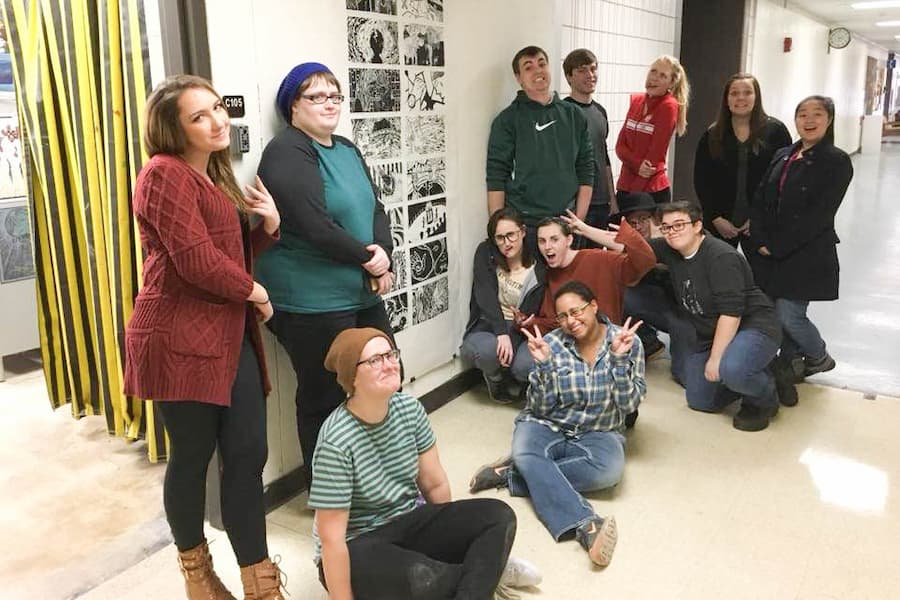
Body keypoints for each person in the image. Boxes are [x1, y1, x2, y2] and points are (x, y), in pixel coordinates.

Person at [124, 75, 285, 599]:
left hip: (224, 333)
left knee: (246, 454)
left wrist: (267, 227)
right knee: (192, 457)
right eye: (200, 116)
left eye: (218, 108)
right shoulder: (162, 174)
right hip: (177, 336)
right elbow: (195, 263)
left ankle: (260, 584)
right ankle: (199, 578)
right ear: (173, 129)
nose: (218, 121)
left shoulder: (212, 175)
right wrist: (256, 293)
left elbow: (222, 257)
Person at [311, 328, 540, 599]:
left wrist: (452, 541)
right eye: (375, 360)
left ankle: (473, 577)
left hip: (408, 521)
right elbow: (332, 539)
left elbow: (434, 483)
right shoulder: (336, 439)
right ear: (352, 377)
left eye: (390, 354)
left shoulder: (409, 409)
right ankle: (485, 574)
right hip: (359, 545)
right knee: (423, 579)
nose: (388, 364)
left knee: (498, 515)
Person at [256, 62, 395, 487]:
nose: (329, 103)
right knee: (324, 395)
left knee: (385, 375)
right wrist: (367, 259)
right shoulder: (287, 151)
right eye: (316, 96)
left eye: (334, 95)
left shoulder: (347, 149)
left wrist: (383, 254)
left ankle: (377, 478)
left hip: (356, 290)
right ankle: (329, 495)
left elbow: (375, 208)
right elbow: (312, 224)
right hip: (310, 300)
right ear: (292, 107)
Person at [469, 282, 645, 568]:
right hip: (547, 424)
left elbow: (627, 406)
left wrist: (618, 359)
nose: (570, 322)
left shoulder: (626, 341)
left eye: (576, 311)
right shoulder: (551, 344)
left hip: (599, 430)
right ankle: (587, 525)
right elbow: (539, 408)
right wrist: (545, 368)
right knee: (526, 451)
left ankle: (513, 474)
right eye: (562, 316)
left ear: (594, 306)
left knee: (608, 473)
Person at [651, 202, 797, 432]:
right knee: (700, 399)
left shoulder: (720, 257)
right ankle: (759, 370)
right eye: (666, 227)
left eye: (679, 225)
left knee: (732, 369)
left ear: (698, 225)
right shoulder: (672, 249)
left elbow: (731, 314)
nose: (672, 232)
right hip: (712, 331)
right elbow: (629, 245)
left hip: (753, 327)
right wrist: (583, 229)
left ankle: (764, 397)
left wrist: (716, 359)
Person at [749, 95, 853, 383]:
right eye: (802, 114)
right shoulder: (783, 154)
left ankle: (818, 356)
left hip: (805, 253)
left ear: (829, 120)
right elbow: (760, 198)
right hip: (768, 250)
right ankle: (789, 363)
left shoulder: (837, 161)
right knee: (769, 311)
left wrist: (777, 246)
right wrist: (758, 239)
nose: (809, 120)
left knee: (789, 315)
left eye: (817, 114)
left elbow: (819, 215)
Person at [564, 192, 697, 386]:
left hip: (688, 313)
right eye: (632, 222)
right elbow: (619, 245)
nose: (638, 226)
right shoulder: (642, 245)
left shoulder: (670, 242)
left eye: (644, 219)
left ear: (654, 221)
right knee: (621, 293)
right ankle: (646, 340)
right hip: (657, 308)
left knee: (687, 377)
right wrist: (583, 229)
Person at [486, 45, 594, 232]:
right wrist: (499, 230)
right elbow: (496, 177)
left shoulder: (574, 115)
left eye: (542, 64)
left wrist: (578, 221)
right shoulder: (507, 120)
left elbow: (586, 169)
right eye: (528, 67)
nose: (538, 70)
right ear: (518, 78)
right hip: (526, 225)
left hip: (566, 223)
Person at [694, 73, 792, 250]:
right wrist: (715, 217)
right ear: (727, 99)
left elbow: (784, 178)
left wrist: (759, 217)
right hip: (720, 222)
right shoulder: (712, 134)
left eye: (747, 92)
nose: (740, 98)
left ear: (757, 97)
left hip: (762, 221)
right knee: (720, 273)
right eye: (734, 93)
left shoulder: (776, 131)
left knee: (760, 276)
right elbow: (701, 180)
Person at [461, 207, 546, 403]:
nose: (507, 243)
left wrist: (526, 322)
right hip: (491, 325)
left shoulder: (538, 259)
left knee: (525, 364)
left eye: (511, 235)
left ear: (523, 232)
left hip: (525, 328)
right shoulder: (485, 253)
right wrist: (501, 332)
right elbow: (484, 294)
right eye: (500, 238)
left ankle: (523, 380)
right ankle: (496, 378)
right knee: (488, 351)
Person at [528, 217, 655, 334]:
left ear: (569, 240)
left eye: (554, 239)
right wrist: (530, 323)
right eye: (542, 241)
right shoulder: (546, 275)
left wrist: (630, 237)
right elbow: (554, 322)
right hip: (568, 348)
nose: (547, 247)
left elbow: (646, 261)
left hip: (607, 344)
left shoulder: (599, 259)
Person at [615, 55, 690, 205]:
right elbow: (619, 147)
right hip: (625, 186)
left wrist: (634, 195)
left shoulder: (668, 106)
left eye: (663, 76)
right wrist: (637, 165)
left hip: (650, 190)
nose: (654, 78)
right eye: (653, 71)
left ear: (671, 83)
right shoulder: (636, 101)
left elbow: (654, 158)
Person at [563, 49, 618, 232]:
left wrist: (612, 199)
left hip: (602, 202)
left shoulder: (600, 111)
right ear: (569, 77)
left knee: (598, 258)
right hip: (575, 203)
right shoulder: (563, 112)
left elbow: (604, 158)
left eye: (593, 69)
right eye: (582, 70)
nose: (590, 75)